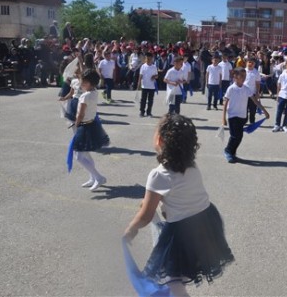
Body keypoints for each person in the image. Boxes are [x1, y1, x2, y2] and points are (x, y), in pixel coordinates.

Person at [123, 115, 234, 297]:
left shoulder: (159, 175)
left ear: (160, 140)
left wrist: (130, 229)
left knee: (171, 277)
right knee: (182, 269)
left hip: (182, 230)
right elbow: (181, 198)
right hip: (205, 222)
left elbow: (145, 215)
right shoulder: (191, 166)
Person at [71, 69, 109, 191]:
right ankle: (92, 177)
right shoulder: (94, 92)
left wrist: (76, 125)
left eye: (84, 82)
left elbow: (80, 114)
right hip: (92, 124)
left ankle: (98, 177)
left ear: (90, 83)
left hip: (84, 126)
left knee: (79, 156)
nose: (81, 83)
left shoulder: (85, 96)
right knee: (85, 153)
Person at [222, 68, 270, 163]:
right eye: (242, 76)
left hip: (242, 116)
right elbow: (225, 102)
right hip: (233, 116)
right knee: (235, 136)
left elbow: (255, 100)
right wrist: (223, 118)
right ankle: (228, 151)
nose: (244, 78)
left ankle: (232, 152)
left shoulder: (246, 89)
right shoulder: (231, 88)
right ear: (235, 77)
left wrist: (264, 111)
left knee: (239, 136)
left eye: (245, 76)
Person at [137, 52, 158, 117]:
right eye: (147, 58)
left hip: (152, 86)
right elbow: (140, 75)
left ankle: (149, 112)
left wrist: (154, 77)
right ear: (146, 58)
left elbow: (157, 75)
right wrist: (139, 83)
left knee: (150, 100)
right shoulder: (143, 66)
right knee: (143, 99)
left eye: (150, 58)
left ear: (152, 59)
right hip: (144, 85)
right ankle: (142, 111)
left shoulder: (154, 67)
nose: (149, 60)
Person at [244, 58, 261, 124]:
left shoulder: (256, 72)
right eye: (249, 62)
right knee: (244, 108)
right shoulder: (243, 71)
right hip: (244, 93)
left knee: (253, 109)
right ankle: (244, 121)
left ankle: (252, 121)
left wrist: (257, 92)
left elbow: (257, 83)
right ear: (246, 63)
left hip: (252, 93)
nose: (250, 64)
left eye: (252, 63)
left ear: (254, 64)